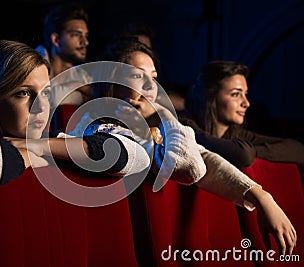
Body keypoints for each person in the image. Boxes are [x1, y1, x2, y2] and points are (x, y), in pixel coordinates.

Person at [67, 36, 297, 256]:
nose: (150, 87)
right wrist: (165, 113)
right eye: (138, 76)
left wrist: (263, 197)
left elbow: (204, 155)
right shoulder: (99, 130)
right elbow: (190, 166)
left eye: (154, 78)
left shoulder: (145, 126)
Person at [0, 39, 151, 197]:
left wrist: (39, 146)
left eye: (46, 93)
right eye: (23, 93)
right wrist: (55, 155)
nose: (41, 106)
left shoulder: (28, 138)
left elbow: (138, 156)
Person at [180, 60, 304, 169]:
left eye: (245, 94)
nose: (246, 103)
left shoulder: (236, 134)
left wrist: (253, 151)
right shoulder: (185, 128)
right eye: (236, 94)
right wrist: (244, 150)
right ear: (210, 96)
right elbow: (243, 156)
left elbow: (299, 149)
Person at [35, 2, 93, 107]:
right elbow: (43, 99)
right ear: (56, 40)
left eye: (86, 36)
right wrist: (78, 91)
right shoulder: (32, 64)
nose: (85, 42)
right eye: (76, 35)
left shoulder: (82, 77)